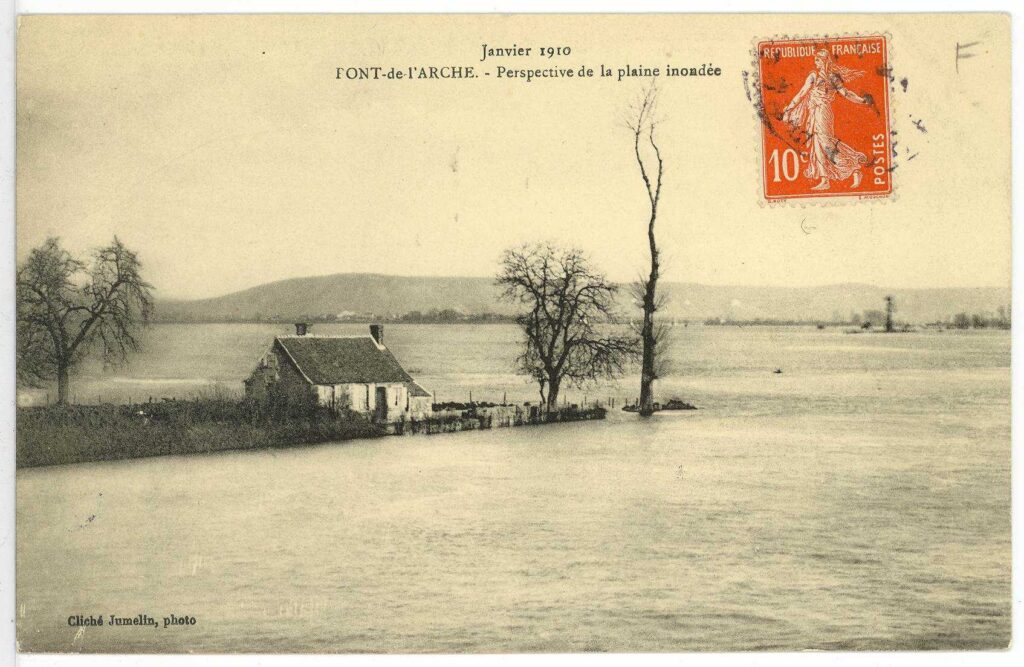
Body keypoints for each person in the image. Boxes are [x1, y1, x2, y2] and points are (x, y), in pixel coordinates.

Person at [781, 49, 873, 191]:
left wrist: (862, 101)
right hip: (813, 112)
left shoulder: (833, 78)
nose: (815, 63)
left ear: (824, 60)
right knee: (816, 143)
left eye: (818, 60)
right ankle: (825, 180)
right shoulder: (813, 76)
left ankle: (853, 167)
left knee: (826, 143)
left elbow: (846, 93)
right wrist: (789, 109)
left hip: (824, 112)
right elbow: (801, 93)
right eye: (815, 60)